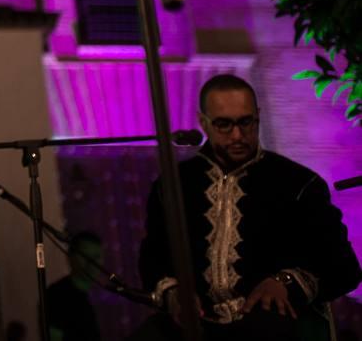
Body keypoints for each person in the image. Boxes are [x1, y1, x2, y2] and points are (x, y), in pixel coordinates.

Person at [133, 74, 361, 340]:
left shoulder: (299, 184)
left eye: (246, 122)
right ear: (203, 123)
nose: (238, 135)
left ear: (258, 116)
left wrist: (285, 282)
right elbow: (154, 257)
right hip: (198, 323)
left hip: (272, 322)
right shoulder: (174, 185)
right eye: (224, 125)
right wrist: (173, 293)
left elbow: (344, 268)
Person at [46, 230, 103, 341]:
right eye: (85, 255)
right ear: (70, 257)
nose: (92, 263)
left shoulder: (94, 294)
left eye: (97, 256)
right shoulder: (57, 295)